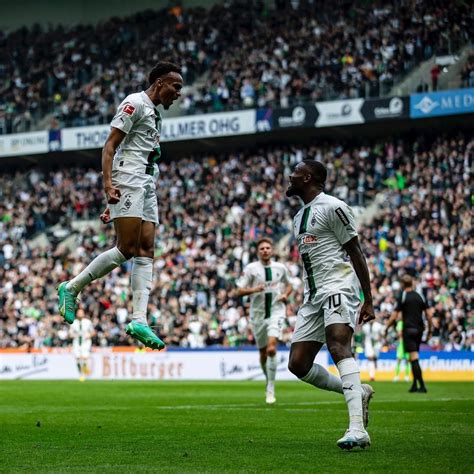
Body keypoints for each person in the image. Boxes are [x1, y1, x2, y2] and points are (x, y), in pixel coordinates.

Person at [57, 61, 184, 350]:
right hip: (129, 179)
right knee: (126, 248)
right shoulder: (134, 103)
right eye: (175, 87)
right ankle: (71, 287)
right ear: (160, 83)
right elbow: (110, 146)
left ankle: (140, 319)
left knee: (146, 249)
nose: (177, 94)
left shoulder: (153, 114)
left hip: (146, 186)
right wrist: (108, 187)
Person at [285, 160, 375, 450]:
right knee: (298, 364)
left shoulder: (334, 207)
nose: (290, 176)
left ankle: (357, 428)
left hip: (338, 286)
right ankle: (357, 391)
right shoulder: (298, 217)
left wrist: (368, 298)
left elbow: (356, 252)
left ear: (308, 177)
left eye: (295, 173)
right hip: (312, 295)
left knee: (338, 345)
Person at [235, 238, 293, 404]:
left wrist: (285, 295)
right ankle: (268, 379)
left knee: (271, 349)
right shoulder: (251, 269)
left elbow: (289, 285)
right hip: (258, 314)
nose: (265, 250)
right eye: (262, 248)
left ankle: (271, 388)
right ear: (258, 252)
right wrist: (253, 289)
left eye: (268, 248)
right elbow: (238, 290)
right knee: (262, 352)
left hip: (276, 311)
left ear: (272, 250)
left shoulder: (280, 268)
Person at [385, 275, 433, 393]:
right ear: (412, 283)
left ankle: (422, 386)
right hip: (419, 330)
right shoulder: (420, 296)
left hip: (409, 330)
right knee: (413, 358)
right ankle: (414, 385)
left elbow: (394, 316)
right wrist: (430, 330)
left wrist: (386, 327)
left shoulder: (403, 296)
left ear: (402, 284)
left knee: (414, 357)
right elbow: (429, 315)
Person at [70, 307, 94, 382]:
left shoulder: (88, 322)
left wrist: (89, 336)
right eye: (79, 313)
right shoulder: (73, 323)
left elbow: (93, 332)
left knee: (84, 358)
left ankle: (83, 374)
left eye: (81, 313)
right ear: (77, 314)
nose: (80, 314)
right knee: (77, 359)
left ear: (83, 314)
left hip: (85, 343)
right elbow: (70, 333)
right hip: (76, 342)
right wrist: (73, 335)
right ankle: (80, 373)